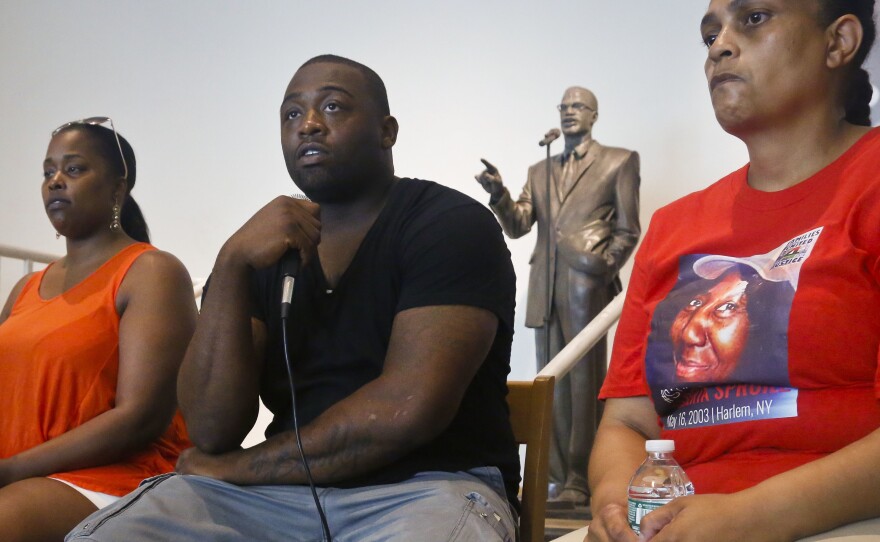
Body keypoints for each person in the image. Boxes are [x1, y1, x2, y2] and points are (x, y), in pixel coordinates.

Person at [65, 55, 520, 541]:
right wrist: (233, 262)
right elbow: (211, 428)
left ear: (387, 131)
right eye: (291, 114)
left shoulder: (449, 224)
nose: (309, 126)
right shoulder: (264, 246)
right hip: (275, 497)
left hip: (426, 488)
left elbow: (406, 410)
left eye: (333, 107)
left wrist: (240, 468)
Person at [588, 1, 880, 541]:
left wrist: (748, 517)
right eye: (709, 35)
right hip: (681, 523)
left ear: (838, 42)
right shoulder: (674, 225)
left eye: (754, 18)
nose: (719, 45)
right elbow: (628, 422)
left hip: (843, 519)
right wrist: (615, 507)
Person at [0, 118, 197, 541]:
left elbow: (140, 418)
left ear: (117, 188)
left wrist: (10, 470)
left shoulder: (151, 272)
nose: (55, 181)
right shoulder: (24, 288)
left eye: (73, 169)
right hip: (20, 474)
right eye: (47, 171)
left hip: (114, 478)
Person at [475, 86, 640, 506]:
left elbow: (628, 229)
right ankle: (552, 478)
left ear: (593, 114)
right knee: (551, 382)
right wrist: (498, 194)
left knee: (584, 382)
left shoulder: (619, 160)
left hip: (587, 284)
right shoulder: (539, 168)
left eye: (577, 106)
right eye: (564, 107)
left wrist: (601, 265)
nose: (569, 113)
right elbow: (518, 225)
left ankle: (581, 478)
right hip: (546, 285)